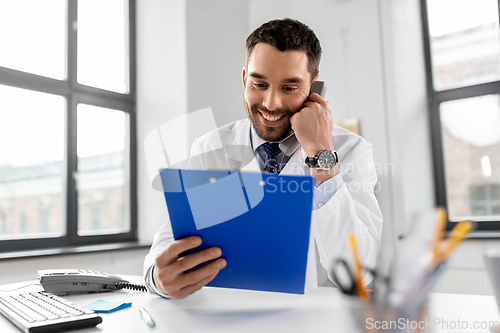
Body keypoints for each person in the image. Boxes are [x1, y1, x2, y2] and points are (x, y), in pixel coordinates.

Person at [143, 18, 383, 300]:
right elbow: (172, 237)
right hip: (227, 316)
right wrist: (157, 279)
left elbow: (359, 274)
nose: (271, 103)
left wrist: (320, 155)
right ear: (245, 80)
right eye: (259, 83)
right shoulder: (211, 147)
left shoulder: (352, 150)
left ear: (314, 91)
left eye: (289, 88)